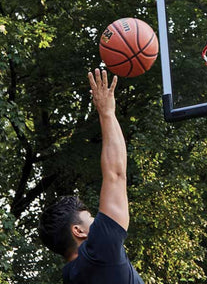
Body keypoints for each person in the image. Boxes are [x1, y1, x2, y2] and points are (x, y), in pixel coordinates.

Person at [39, 68, 144, 284]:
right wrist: (106, 112)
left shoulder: (72, 276)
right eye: (93, 220)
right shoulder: (100, 252)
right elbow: (115, 174)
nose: (99, 221)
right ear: (78, 231)